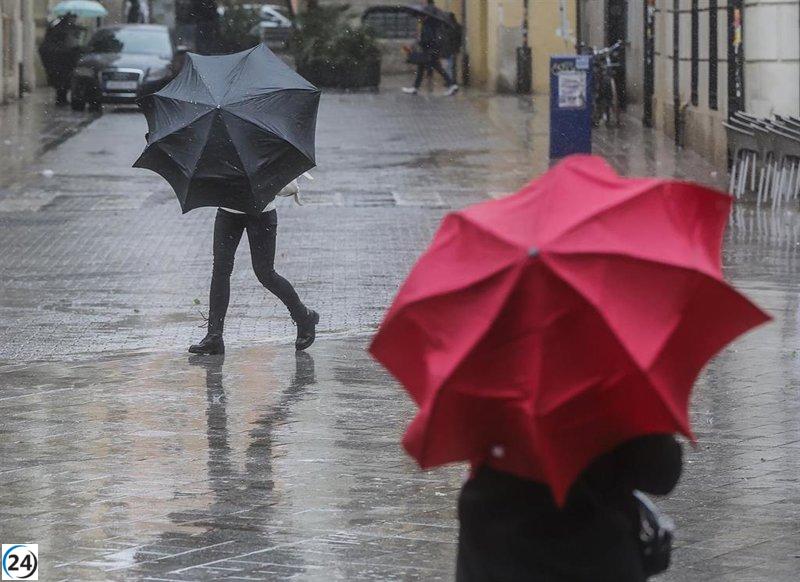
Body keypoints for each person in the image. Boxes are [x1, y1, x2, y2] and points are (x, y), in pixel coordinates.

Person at [457, 434, 683, 581]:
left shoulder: (490, 383)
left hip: (493, 546)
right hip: (594, 553)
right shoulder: (610, 381)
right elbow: (661, 474)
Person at [189, 178, 319, 355]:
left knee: (265, 273)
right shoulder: (222, 150)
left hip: (261, 212)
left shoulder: (266, 149)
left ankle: (304, 317)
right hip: (228, 211)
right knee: (220, 270)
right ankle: (214, 336)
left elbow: (287, 186)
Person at [402, 1, 458, 96]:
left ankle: (452, 84)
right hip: (431, 50)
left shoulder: (427, 25)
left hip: (430, 51)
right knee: (422, 68)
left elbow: (427, 39)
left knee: (438, 68)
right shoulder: (431, 24)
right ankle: (415, 88)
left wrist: (420, 41)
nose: (419, 18)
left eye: (420, 16)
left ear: (425, 16)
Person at [38, 13, 85, 106]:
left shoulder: (58, 28)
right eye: (73, 18)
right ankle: (61, 99)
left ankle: (61, 98)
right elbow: (68, 44)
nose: (74, 20)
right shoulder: (62, 29)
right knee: (62, 80)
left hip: (59, 59)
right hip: (61, 59)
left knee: (61, 80)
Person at [440, 11, 462, 83]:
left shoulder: (447, 27)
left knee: (448, 66)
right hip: (453, 49)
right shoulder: (457, 26)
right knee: (451, 66)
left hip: (448, 49)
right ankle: (452, 80)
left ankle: (450, 81)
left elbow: (445, 38)